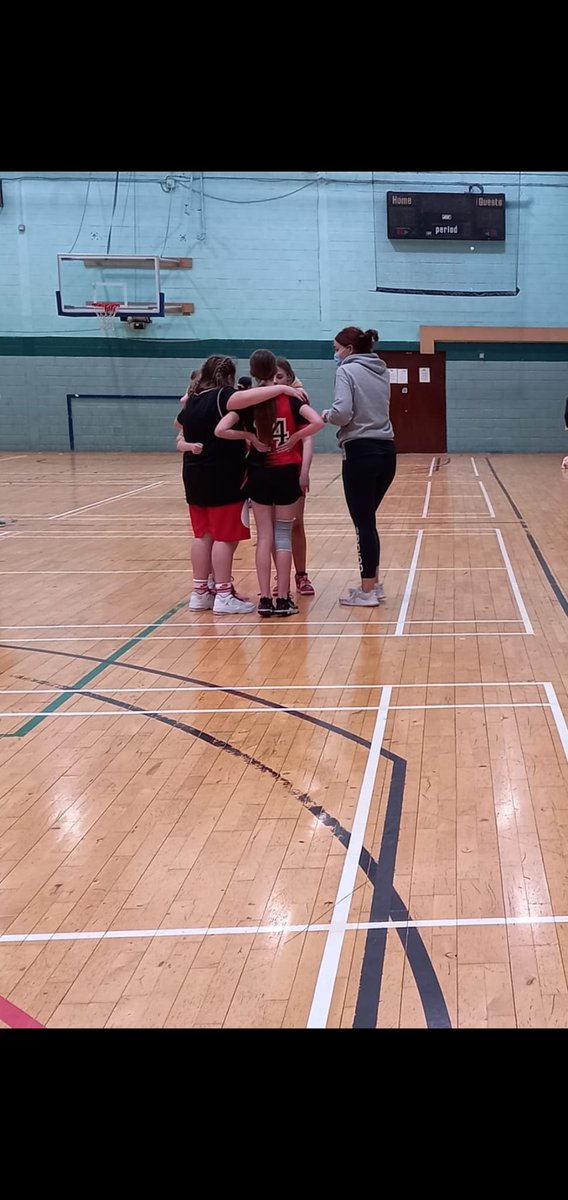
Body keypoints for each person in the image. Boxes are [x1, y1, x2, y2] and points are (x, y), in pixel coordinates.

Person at [176, 354, 306, 614]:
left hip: (193, 475)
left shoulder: (193, 401)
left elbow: (177, 424)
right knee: (225, 538)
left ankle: (201, 592)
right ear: (228, 376)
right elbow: (243, 403)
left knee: (202, 535)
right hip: (222, 475)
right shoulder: (224, 397)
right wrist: (282, 387)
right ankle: (223, 593)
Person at [214, 348, 324, 617]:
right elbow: (319, 422)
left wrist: (249, 436)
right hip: (286, 472)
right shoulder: (293, 398)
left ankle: (264, 598)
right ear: (275, 371)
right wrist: (297, 437)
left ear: (251, 372)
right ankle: (284, 598)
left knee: (265, 538)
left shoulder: (246, 402)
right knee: (283, 536)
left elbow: (220, 429)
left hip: (260, 473)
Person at [321, 326, 396, 607]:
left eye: (337, 348)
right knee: (368, 520)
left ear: (349, 350)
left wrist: (327, 415)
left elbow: (342, 413)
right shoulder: (382, 370)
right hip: (387, 452)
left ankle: (367, 592)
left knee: (363, 522)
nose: (335, 354)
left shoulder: (346, 371)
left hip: (360, 451)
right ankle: (372, 585)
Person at [273, 358, 315, 596]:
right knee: (273, 529)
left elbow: (308, 437)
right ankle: (280, 580)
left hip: (292, 468)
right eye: (272, 377)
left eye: (281, 376)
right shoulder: (259, 399)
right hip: (268, 471)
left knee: (295, 524)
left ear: (289, 378)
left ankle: (301, 575)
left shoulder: (298, 400)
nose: (276, 381)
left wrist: (304, 471)